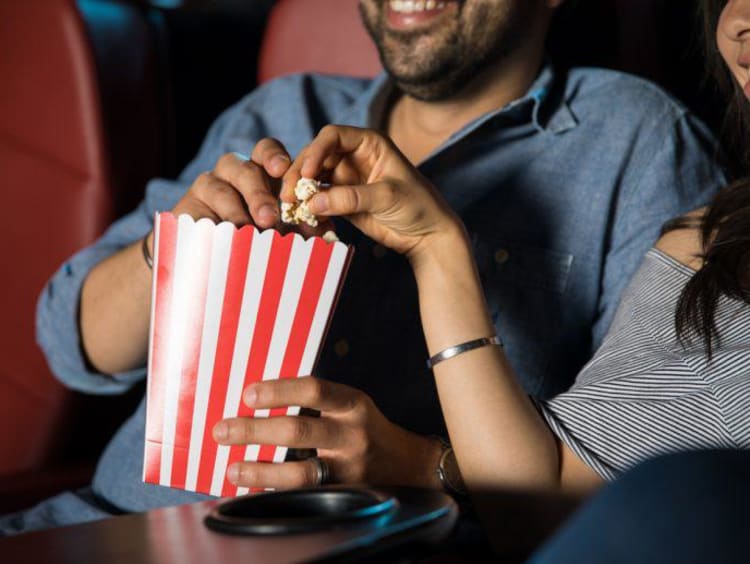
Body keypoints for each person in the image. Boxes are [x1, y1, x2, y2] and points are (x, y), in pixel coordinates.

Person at [1, 0, 723, 534]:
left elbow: (622, 484)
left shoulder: (641, 142)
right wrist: (175, 247)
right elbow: (72, 346)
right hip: (103, 522)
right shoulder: (282, 107)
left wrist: (417, 463)